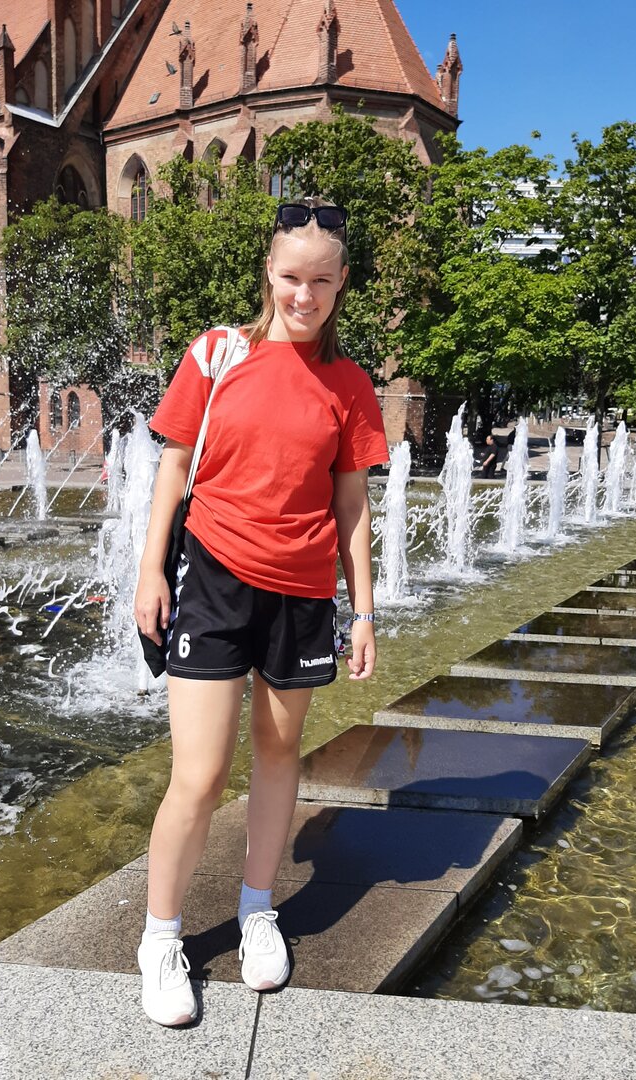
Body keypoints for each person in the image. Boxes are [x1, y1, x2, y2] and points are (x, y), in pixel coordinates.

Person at [133, 197, 390, 1027]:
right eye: (290, 277)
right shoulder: (216, 353)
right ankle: (161, 937)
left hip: (304, 593)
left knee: (279, 755)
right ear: (268, 273)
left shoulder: (349, 384)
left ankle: (256, 909)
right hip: (214, 581)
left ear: (342, 283)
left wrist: (363, 611)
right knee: (201, 773)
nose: (303, 296)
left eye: (321, 281)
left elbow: (351, 504)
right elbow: (174, 469)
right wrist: (150, 571)